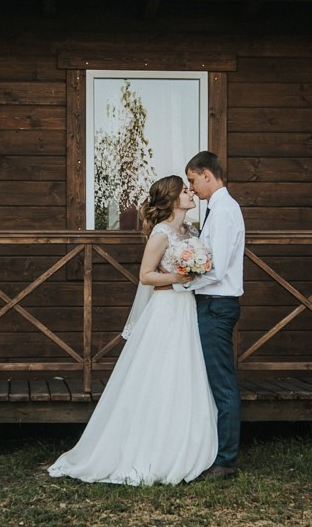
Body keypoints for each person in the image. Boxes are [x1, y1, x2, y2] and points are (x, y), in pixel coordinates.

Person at [47, 176, 217, 485]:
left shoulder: (190, 231)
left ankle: (183, 441)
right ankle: (147, 446)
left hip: (187, 309)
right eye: (185, 190)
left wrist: (196, 269)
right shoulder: (161, 234)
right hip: (166, 311)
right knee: (159, 375)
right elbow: (146, 276)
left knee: (183, 373)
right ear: (172, 199)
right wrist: (178, 278)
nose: (191, 193)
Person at [183, 150, 244, 480]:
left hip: (217, 305)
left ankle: (226, 461)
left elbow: (216, 268)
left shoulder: (222, 212)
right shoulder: (218, 209)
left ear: (207, 174)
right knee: (215, 380)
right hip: (213, 303)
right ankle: (217, 453)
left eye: (192, 180)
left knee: (222, 383)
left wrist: (182, 284)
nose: (191, 188)